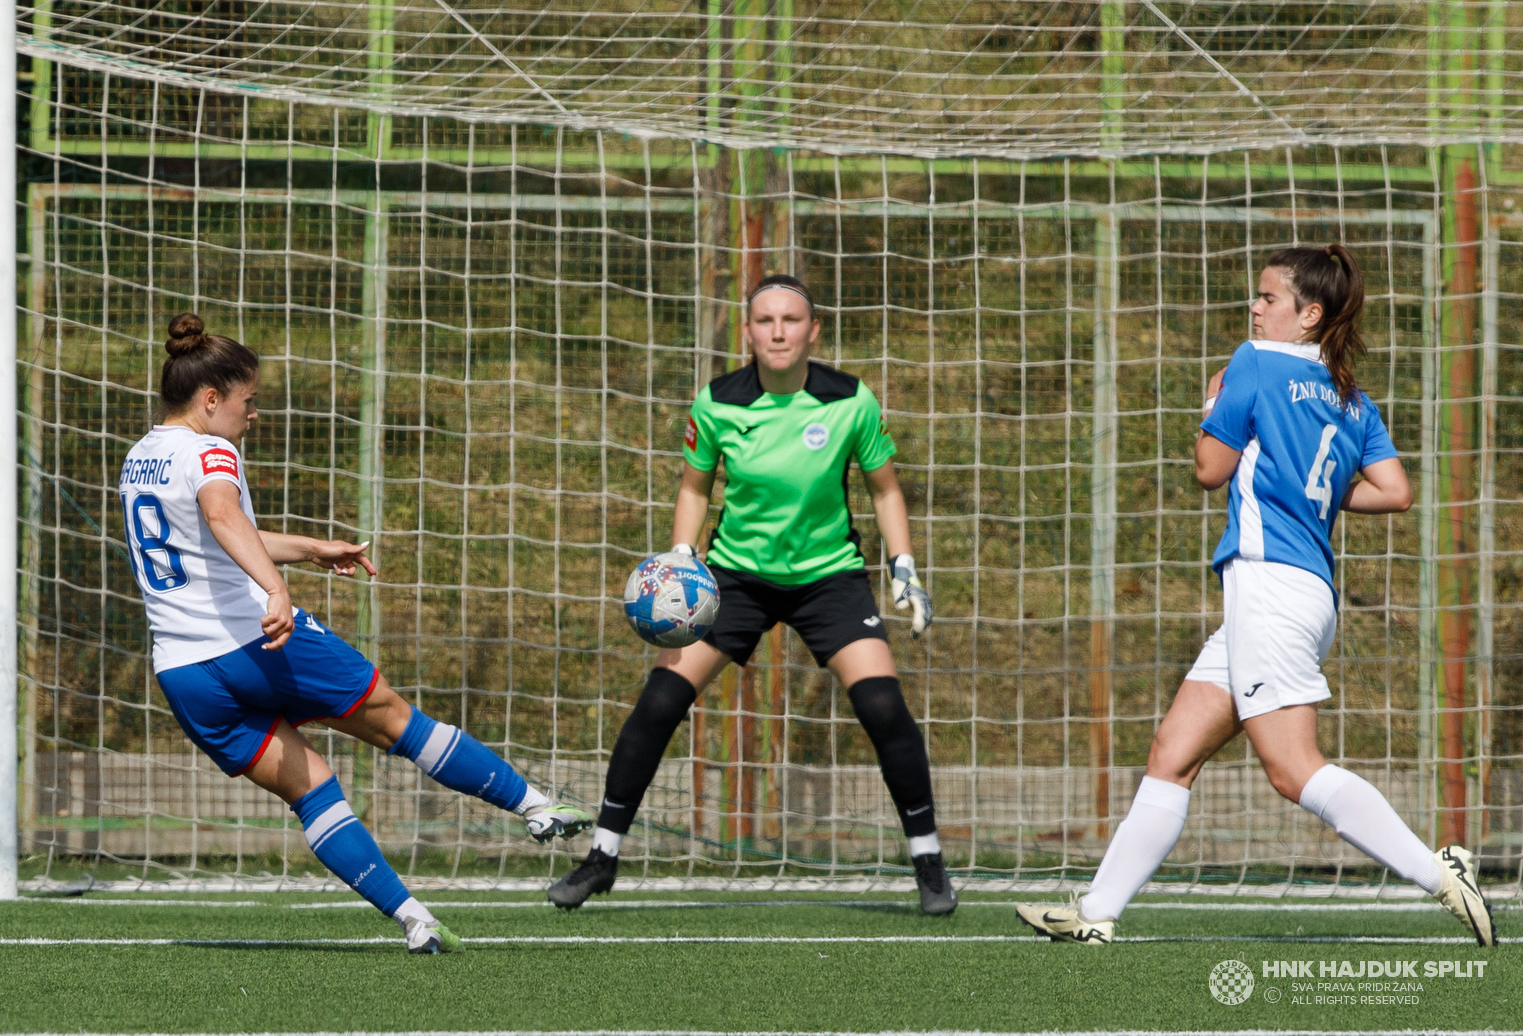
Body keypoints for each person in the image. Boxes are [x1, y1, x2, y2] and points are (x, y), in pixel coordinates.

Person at [1016, 245, 1494, 946]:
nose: (1255, 307)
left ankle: (1439, 872)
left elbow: (1211, 469)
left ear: (1309, 314)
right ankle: (1096, 911)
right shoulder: (1350, 393)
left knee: (1293, 769)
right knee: (1173, 752)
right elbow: (1395, 491)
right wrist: (1317, 489)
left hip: (1268, 584)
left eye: (1269, 298)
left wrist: (1213, 400)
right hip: (1302, 591)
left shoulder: (1254, 362)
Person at [120, 313, 593, 954]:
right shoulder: (210, 449)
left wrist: (309, 549)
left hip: (185, 673)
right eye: (247, 401)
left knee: (310, 785)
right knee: (396, 720)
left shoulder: (141, 456)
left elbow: (214, 538)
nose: (252, 415)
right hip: (256, 644)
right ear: (210, 400)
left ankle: (414, 919)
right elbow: (222, 515)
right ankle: (536, 805)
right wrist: (278, 590)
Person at [547, 274, 955, 915]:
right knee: (658, 703)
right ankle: (601, 857)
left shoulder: (850, 401)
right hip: (734, 579)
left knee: (883, 707)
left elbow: (885, 490)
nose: (778, 331)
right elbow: (694, 487)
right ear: (749, 332)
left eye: (791, 320)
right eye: (765, 320)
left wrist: (904, 563)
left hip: (831, 579)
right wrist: (683, 556)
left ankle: (929, 863)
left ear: (813, 330)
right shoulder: (717, 403)